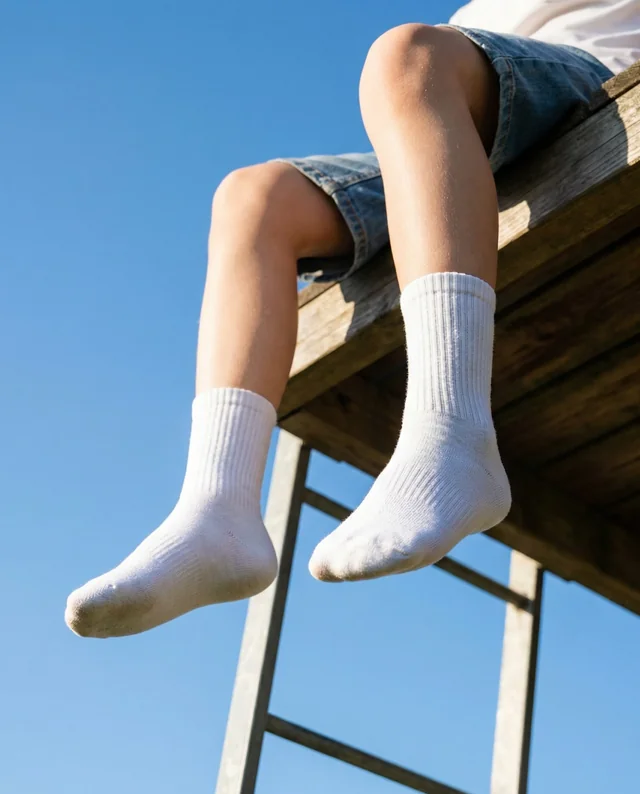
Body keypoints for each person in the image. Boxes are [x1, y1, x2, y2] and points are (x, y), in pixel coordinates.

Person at [65, 1, 639, 638]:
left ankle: (451, 432)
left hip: (595, 78)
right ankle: (217, 511)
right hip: (465, 119)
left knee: (407, 57)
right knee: (253, 198)